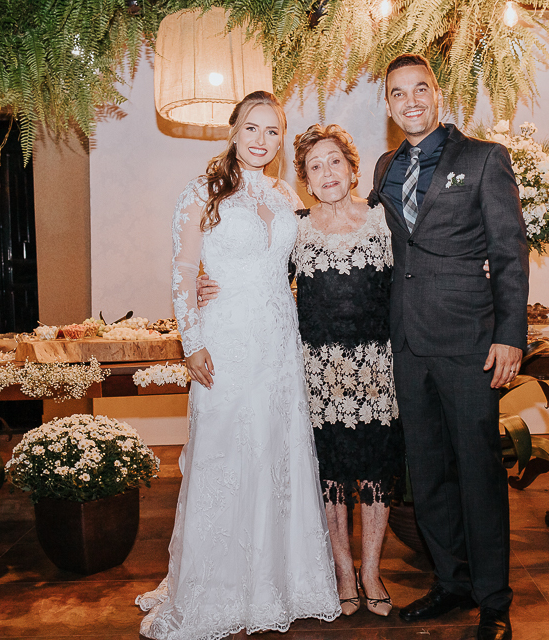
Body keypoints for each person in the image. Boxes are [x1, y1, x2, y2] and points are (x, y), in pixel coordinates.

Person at [136, 91, 341, 640]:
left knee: (277, 453)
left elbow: (300, 264)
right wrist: (192, 341)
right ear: (233, 130)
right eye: (252, 127)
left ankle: (278, 583)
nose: (261, 140)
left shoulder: (285, 194)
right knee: (224, 453)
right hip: (224, 341)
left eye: (273, 131)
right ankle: (217, 588)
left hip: (279, 343)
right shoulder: (200, 192)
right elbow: (183, 271)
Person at [201, 124, 404, 617]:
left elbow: (419, 276)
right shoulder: (296, 228)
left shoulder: (384, 220)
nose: (327, 172)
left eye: (335, 161)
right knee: (329, 477)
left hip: (377, 370)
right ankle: (343, 575)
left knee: (376, 474)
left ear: (352, 170)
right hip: (317, 373)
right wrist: (209, 282)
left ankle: (371, 572)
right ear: (306, 181)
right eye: (315, 166)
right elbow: (258, 276)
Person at [367, 54, 529, 640]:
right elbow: (367, 237)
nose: (410, 101)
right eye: (398, 92)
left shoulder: (484, 158)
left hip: (469, 341)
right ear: (389, 105)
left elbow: (509, 250)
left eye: (420, 89)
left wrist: (510, 333)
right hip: (407, 341)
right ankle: (451, 582)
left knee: (478, 471)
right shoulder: (386, 167)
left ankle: (493, 600)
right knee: (427, 471)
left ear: (437, 95)